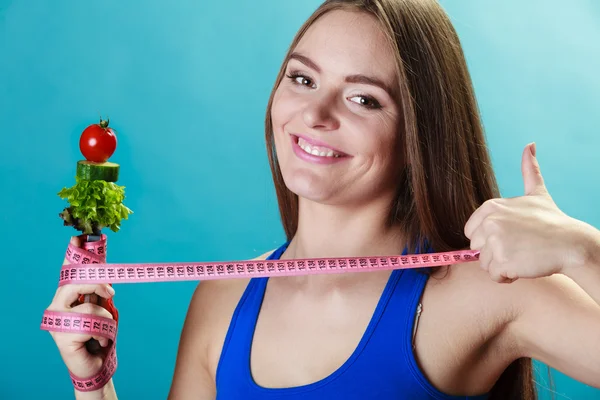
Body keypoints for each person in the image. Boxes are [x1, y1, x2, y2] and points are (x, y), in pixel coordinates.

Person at [46, 0, 600, 399]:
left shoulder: (488, 291)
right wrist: (92, 385)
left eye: (363, 98)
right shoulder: (221, 298)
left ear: (418, 136)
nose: (315, 115)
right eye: (303, 79)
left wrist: (583, 250)